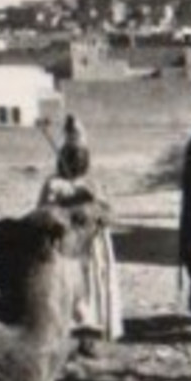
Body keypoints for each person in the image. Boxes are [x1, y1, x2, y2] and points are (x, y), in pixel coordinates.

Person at [38, 115, 124, 356]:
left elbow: (107, 215)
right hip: (64, 249)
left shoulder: (92, 184)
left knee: (92, 289)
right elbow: (42, 214)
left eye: (79, 158)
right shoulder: (54, 184)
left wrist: (93, 203)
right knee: (66, 291)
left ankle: (89, 339)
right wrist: (65, 202)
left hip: (93, 249)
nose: (75, 162)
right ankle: (67, 339)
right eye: (71, 158)